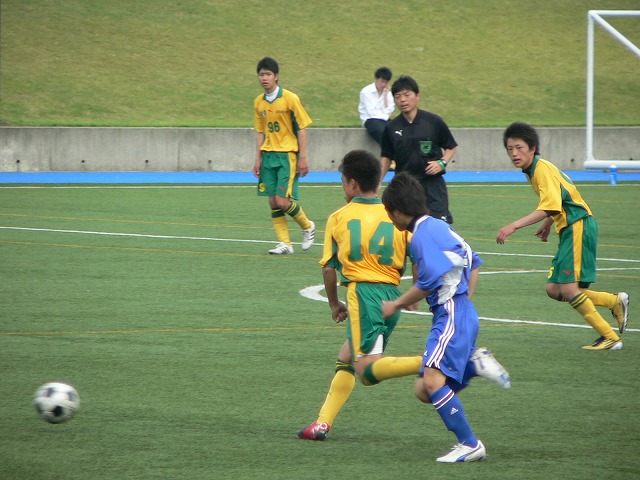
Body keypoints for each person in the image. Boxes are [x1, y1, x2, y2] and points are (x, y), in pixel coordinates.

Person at [381, 172, 511, 463]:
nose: (390, 218)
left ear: (399, 211)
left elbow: (428, 283)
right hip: (459, 313)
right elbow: (473, 260)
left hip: (451, 314)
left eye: (389, 212)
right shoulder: (439, 226)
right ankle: (474, 366)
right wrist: (464, 302)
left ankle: (470, 444)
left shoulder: (421, 236)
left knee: (431, 383)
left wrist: (397, 304)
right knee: (423, 390)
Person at [297, 149, 423, 441]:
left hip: (363, 295)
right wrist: (413, 294)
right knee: (346, 357)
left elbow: (329, 268)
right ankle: (322, 423)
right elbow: (416, 256)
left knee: (366, 371)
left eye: (343, 182)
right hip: (391, 296)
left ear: (352, 183)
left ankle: (430, 361)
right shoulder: (395, 213)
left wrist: (334, 304)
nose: (343, 188)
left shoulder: (339, 217)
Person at [496, 122, 629, 350]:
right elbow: (560, 198)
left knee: (568, 288)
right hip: (570, 228)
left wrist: (514, 226)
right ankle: (613, 301)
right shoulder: (535, 170)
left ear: (532, 148)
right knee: (554, 289)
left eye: (519, 148)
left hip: (578, 225)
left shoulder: (541, 170)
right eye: (510, 149)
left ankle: (610, 338)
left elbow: (551, 204)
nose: (514, 153)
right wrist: (548, 223)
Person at [253, 56, 315, 255]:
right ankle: (285, 243)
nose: (264, 78)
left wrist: (303, 157)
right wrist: (257, 159)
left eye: (268, 74)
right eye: (261, 74)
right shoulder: (258, 102)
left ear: (276, 76)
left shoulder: (290, 98)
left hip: (287, 155)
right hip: (268, 156)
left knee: (282, 201)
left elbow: (302, 128)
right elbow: (260, 132)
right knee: (272, 201)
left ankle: (307, 226)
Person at [380, 75, 457, 224]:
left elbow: (451, 146)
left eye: (407, 95)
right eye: (398, 96)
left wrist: (441, 163)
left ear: (417, 96)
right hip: (406, 186)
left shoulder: (433, 121)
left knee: (438, 226)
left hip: (432, 184)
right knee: (408, 228)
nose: (402, 100)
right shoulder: (391, 127)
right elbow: (386, 156)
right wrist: (377, 182)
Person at [358, 67, 395, 145]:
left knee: (397, 130)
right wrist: (386, 116)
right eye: (382, 81)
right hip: (370, 120)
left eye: (386, 82)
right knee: (382, 131)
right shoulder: (366, 91)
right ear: (376, 79)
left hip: (384, 120)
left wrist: (385, 96)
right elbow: (372, 112)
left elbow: (389, 110)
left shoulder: (388, 93)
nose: (383, 84)